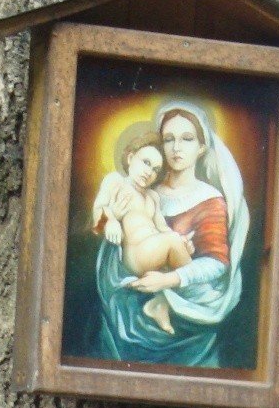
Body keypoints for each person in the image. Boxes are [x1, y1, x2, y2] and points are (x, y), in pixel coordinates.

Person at [94, 101, 250, 368]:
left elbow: (217, 264)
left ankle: (163, 305)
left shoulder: (209, 201)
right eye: (168, 139)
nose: (176, 148)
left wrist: (169, 281)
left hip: (184, 320)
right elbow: (103, 228)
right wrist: (111, 219)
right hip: (124, 302)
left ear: (202, 147)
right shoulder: (142, 189)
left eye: (187, 139)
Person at [91, 132, 193, 334]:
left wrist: (182, 242)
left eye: (155, 170)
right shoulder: (116, 182)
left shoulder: (153, 197)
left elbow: (163, 229)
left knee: (175, 242)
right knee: (187, 270)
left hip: (153, 251)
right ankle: (199, 293)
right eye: (146, 162)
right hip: (135, 257)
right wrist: (110, 220)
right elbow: (97, 215)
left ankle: (159, 304)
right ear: (130, 158)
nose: (149, 172)